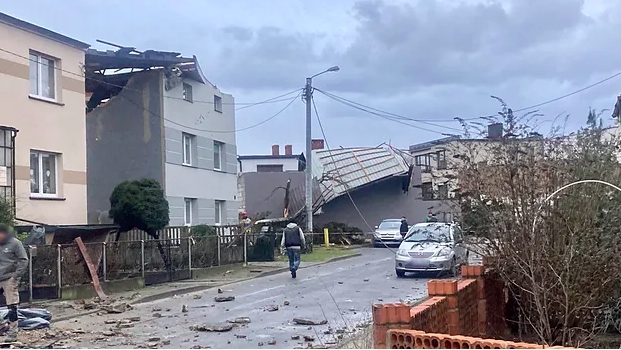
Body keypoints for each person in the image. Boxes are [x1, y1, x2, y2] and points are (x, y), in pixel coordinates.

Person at [0, 224, 28, 342]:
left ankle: (13, 332)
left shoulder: (15, 243)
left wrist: (16, 276)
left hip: (9, 278)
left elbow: (23, 260)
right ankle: (2, 326)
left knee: (12, 306)